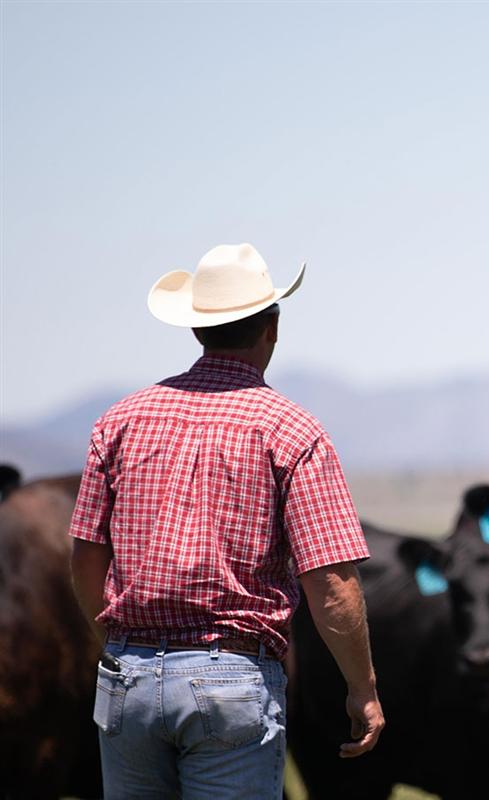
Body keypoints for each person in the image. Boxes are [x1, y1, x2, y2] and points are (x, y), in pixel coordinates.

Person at [69, 243, 384, 800]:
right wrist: (362, 687)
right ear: (274, 328)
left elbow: (87, 557)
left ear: (196, 331)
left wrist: (120, 646)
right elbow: (331, 584)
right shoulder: (291, 430)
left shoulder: (119, 420)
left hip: (128, 677)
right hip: (229, 680)